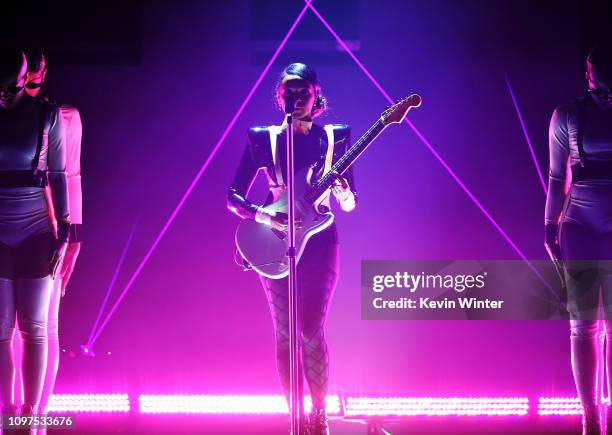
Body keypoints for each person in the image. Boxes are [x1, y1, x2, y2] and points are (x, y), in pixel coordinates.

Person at [227, 63, 356, 435]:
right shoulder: (263, 139)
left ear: (316, 94)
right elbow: (232, 196)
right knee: (283, 334)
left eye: (303, 92)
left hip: (319, 241)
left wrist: (342, 189)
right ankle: (294, 419)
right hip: (276, 241)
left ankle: (320, 416)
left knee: (310, 330)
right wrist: (265, 217)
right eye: (288, 92)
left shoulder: (334, 139)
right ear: (278, 96)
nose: (295, 98)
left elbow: (351, 203)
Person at [0, 49, 70, 426]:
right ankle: (6, 416)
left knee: (35, 328)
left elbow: (58, 174)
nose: (7, 93)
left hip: (36, 230)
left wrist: (65, 230)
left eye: (13, 85)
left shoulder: (47, 115)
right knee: (0, 330)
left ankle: (31, 417)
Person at [545, 44, 612, 435]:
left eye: (593, 66)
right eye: (587, 67)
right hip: (581, 226)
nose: (588, 73)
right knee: (583, 325)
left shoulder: (569, 114)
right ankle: (590, 416)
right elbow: (557, 178)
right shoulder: (567, 115)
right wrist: (548, 226)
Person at [22, 48, 83, 428]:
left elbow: (71, 175)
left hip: (49, 229)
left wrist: (74, 236)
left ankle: (35, 420)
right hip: (11, 221)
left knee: (44, 325)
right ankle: (14, 417)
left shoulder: (64, 117)